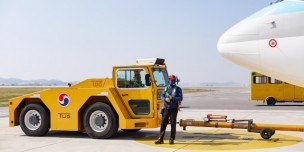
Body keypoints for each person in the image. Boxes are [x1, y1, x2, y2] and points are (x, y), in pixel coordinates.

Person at [155, 74, 183, 144]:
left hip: (173, 109)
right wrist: (165, 99)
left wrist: (172, 98)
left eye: (171, 79)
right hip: (166, 108)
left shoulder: (178, 89)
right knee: (163, 123)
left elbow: (180, 98)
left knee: (173, 124)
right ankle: (161, 139)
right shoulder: (166, 88)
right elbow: (162, 96)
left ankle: (171, 139)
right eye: (169, 79)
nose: (170, 81)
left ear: (174, 80)